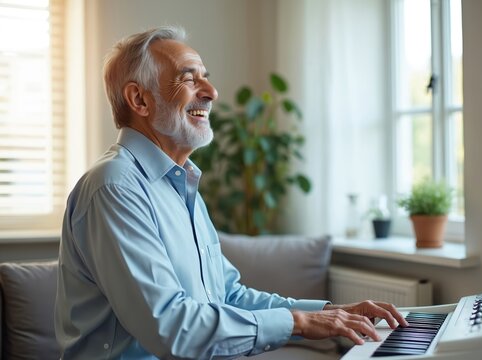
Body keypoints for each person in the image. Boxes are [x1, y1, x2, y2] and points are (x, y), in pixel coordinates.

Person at [55, 26, 408, 359]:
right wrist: (300, 322)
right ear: (140, 100)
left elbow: (227, 296)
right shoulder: (115, 186)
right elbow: (171, 328)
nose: (211, 92)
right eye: (190, 78)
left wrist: (329, 313)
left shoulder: (180, 184)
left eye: (206, 77)